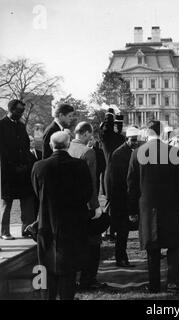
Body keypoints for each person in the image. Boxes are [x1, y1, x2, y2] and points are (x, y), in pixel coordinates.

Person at [127, 120, 179, 293]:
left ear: (147, 132)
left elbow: (131, 185)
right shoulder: (173, 152)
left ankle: (154, 284)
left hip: (148, 207)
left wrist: (132, 210)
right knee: (173, 246)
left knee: (152, 248)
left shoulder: (137, 153)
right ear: (162, 133)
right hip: (171, 206)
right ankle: (173, 283)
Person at [32, 131, 92, 300]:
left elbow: (38, 192)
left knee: (46, 268)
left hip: (47, 223)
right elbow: (87, 193)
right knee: (69, 271)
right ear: (68, 145)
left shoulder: (39, 166)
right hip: (72, 224)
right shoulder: (79, 166)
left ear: (51, 145)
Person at [67, 122, 106, 290]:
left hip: (68, 205)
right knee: (93, 243)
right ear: (85, 134)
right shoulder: (88, 152)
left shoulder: (65, 148)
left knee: (74, 243)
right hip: (86, 205)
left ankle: (74, 278)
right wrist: (95, 205)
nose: (91, 138)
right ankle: (88, 279)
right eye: (90, 135)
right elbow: (91, 182)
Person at [0, 99, 36, 240]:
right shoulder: (1, 125)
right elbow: (2, 150)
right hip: (8, 171)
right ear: (11, 109)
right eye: (18, 110)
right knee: (6, 202)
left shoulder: (21, 126)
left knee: (27, 199)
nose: (20, 113)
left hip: (23, 170)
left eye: (22, 111)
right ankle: (4, 232)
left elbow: (26, 146)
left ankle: (27, 229)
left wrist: (26, 164)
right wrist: (12, 166)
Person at [110, 126, 140, 268]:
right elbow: (118, 179)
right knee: (122, 232)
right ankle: (120, 258)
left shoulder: (133, 151)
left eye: (136, 140)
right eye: (133, 140)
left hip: (132, 195)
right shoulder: (119, 154)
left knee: (127, 230)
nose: (135, 142)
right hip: (122, 198)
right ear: (127, 139)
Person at [99, 110, 125, 239]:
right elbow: (106, 129)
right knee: (110, 202)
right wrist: (109, 115)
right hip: (111, 174)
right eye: (115, 125)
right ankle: (107, 229)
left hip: (119, 174)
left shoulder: (119, 138)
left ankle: (112, 228)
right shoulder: (107, 138)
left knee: (116, 203)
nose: (118, 127)